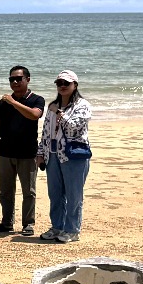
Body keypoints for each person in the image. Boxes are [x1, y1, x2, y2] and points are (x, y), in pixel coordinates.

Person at [0, 65, 44, 236]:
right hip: (5, 152)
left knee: (29, 192)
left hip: (27, 154)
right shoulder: (4, 103)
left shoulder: (36, 99)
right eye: (11, 79)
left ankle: (28, 224)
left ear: (28, 79)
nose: (15, 82)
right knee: (5, 191)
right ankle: (7, 222)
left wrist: (14, 102)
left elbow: (35, 115)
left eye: (18, 79)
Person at [38, 70, 92, 243]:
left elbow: (73, 128)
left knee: (74, 195)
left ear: (75, 85)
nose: (62, 86)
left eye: (66, 83)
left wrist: (59, 112)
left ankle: (72, 230)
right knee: (55, 194)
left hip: (73, 155)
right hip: (52, 154)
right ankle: (57, 226)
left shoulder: (82, 105)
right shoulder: (52, 105)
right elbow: (46, 132)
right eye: (59, 83)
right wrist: (40, 153)